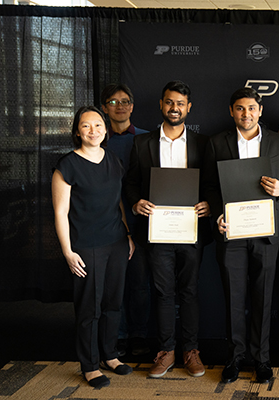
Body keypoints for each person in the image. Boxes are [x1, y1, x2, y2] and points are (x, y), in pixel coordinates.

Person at [202, 87, 279, 383]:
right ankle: (235, 358)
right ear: (232, 111)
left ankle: (261, 359)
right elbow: (209, 187)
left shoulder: (278, 141)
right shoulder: (217, 142)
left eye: (252, 108)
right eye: (240, 108)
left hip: (266, 233)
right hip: (232, 232)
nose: (246, 114)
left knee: (263, 298)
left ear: (260, 110)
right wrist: (218, 214)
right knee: (233, 297)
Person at [125, 80, 211, 379]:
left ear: (189, 107)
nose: (175, 108)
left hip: (191, 229)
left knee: (189, 291)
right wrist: (136, 203)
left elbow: (212, 183)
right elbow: (131, 183)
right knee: (163, 292)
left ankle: (191, 350)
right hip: (157, 231)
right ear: (161, 105)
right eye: (170, 102)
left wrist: (209, 203)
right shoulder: (142, 143)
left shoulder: (203, 143)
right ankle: (166, 351)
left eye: (180, 103)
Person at [52, 106, 135, 388]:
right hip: (86, 245)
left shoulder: (113, 160)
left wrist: (127, 234)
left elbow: (118, 202)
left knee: (113, 303)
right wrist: (67, 251)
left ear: (105, 128)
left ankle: (110, 355)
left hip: (116, 241)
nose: (93, 130)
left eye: (98, 125)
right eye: (86, 126)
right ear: (77, 131)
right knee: (90, 308)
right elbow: (60, 212)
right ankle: (89, 365)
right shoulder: (67, 165)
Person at [100, 83, 151, 357]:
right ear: (104, 107)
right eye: (112, 102)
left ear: (132, 106)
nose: (119, 106)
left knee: (139, 283)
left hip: (140, 222)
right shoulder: (97, 139)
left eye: (124, 101)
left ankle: (139, 334)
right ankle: (117, 336)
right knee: (113, 285)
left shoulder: (147, 139)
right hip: (106, 224)